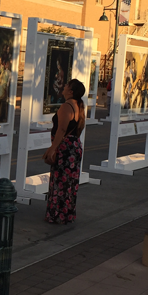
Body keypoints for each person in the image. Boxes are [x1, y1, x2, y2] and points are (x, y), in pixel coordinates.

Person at [42, 79, 85, 225]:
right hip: (74, 147)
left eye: (67, 85)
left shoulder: (67, 106)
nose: (64, 87)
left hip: (65, 149)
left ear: (71, 91)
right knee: (69, 182)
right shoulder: (79, 106)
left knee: (60, 181)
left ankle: (57, 214)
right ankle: (67, 214)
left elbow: (61, 129)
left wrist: (52, 148)